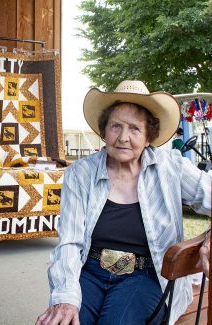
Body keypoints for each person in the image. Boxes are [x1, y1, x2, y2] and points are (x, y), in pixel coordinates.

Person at [36, 80, 211, 325]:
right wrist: (65, 297)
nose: (123, 137)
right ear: (104, 131)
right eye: (115, 126)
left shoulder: (171, 167)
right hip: (91, 270)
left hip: (147, 274)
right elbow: (69, 243)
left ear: (149, 137)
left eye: (134, 129)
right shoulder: (80, 174)